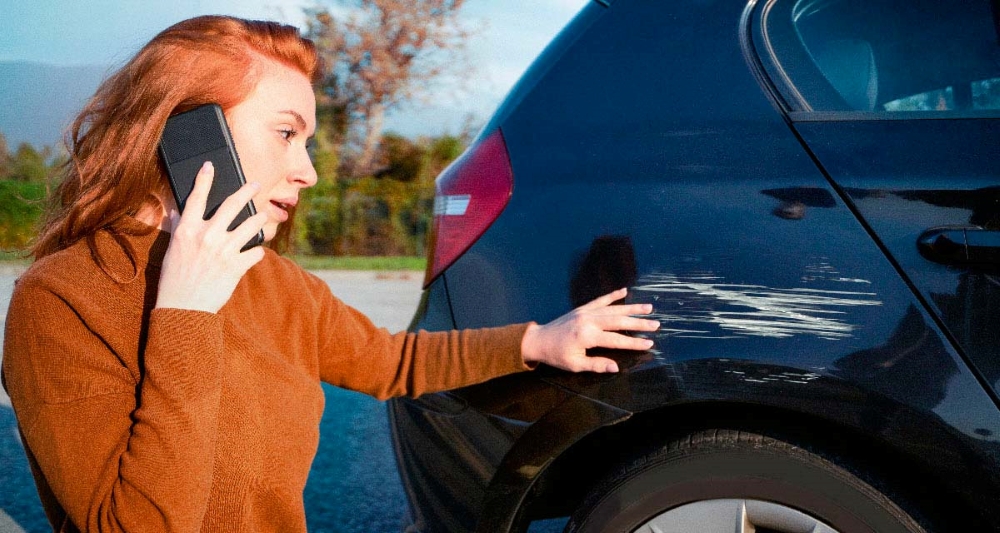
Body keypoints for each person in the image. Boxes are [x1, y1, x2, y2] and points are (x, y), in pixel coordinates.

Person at [0, 15, 658, 532]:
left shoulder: (276, 282)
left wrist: (537, 340)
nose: (309, 171)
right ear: (188, 133)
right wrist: (185, 314)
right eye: (287, 133)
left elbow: (389, 362)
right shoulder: (62, 300)